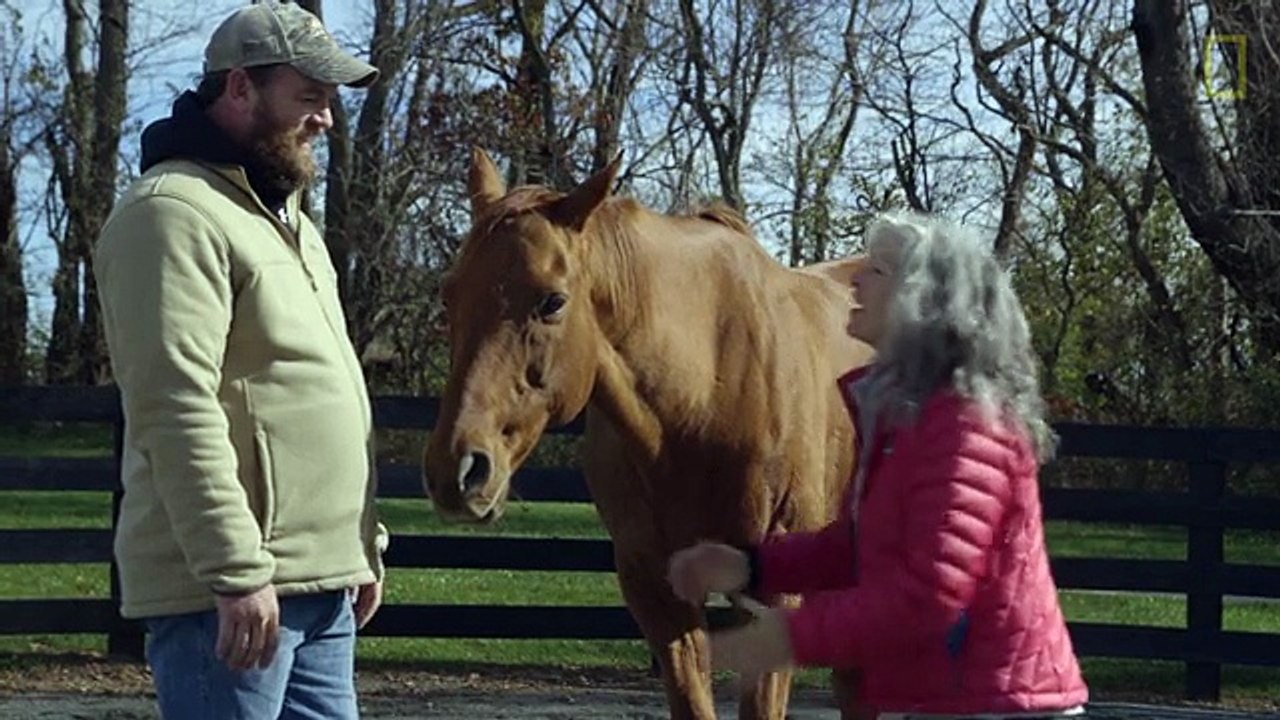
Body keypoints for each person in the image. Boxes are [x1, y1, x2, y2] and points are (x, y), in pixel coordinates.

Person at [667, 213, 1089, 719]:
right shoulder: (909, 420)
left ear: (926, 304)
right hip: (957, 701)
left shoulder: (966, 427)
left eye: (879, 270)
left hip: (1002, 707)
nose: (855, 278)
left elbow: (931, 596)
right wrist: (752, 565)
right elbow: (856, 549)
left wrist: (791, 637)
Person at [93, 3, 388, 717]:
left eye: (329, 101)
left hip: (320, 585)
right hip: (230, 599)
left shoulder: (287, 223)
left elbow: (323, 389)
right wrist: (234, 570)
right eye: (309, 97)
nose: (325, 118)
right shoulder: (171, 213)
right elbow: (173, 404)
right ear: (239, 90)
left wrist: (361, 546)